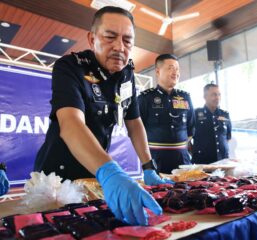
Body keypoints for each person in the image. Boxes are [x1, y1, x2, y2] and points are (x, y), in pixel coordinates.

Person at [34, 6, 170, 226]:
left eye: (127, 40)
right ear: (92, 38)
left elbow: (134, 123)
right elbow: (70, 124)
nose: (119, 47)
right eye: (109, 37)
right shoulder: (70, 68)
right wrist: (110, 171)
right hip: (56, 180)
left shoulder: (127, 76)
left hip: (95, 178)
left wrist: (148, 167)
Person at [138, 54, 195, 174]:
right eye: (170, 68)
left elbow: (191, 128)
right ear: (158, 71)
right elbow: (137, 131)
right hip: (156, 162)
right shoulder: (145, 98)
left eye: (177, 69)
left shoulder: (185, 97)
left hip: (183, 162)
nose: (175, 72)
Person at [192, 83, 232, 164]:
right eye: (214, 95)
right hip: (202, 163)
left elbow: (228, 137)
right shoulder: (195, 114)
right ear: (205, 97)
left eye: (219, 94)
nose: (217, 97)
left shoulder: (225, 114)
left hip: (223, 162)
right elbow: (188, 137)